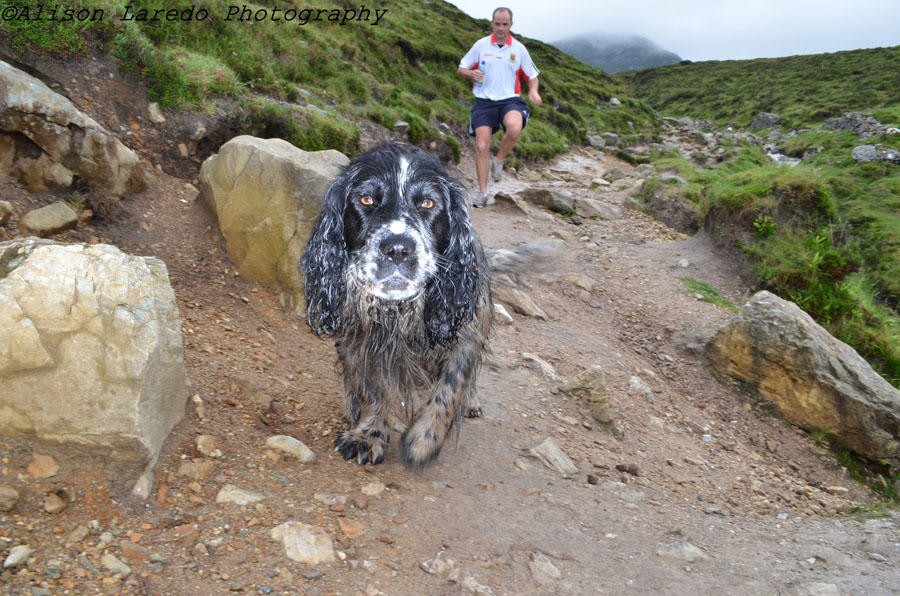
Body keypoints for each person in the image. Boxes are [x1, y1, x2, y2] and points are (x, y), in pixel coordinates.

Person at [458, 7, 542, 207]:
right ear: (492, 24)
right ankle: (483, 193)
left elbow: (533, 75)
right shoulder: (481, 45)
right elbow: (461, 68)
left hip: (509, 100)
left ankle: (499, 161)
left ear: (511, 25)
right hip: (484, 101)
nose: (501, 28)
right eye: (497, 24)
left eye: (505, 24)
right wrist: (471, 74)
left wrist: (533, 91)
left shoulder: (519, 49)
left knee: (514, 127)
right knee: (481, 146)